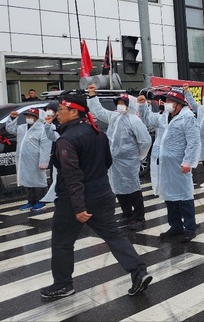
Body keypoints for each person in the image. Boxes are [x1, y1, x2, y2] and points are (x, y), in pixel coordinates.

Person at [41, 94, 151, 300]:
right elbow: (107, 162)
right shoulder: (97, 132)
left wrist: (79, 206)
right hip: (102, 193)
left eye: (61, 111)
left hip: (75, 199)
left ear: (74, 112)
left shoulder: (67, 140)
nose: (57, 115)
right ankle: (139, 272)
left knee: (62, 241)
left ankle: (63, 284)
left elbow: (72, 176)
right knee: (113, 234)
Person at [137, 90, 201, 242]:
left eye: (168, 101)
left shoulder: (188, 119)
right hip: (165, 164)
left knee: (184, 196)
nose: (165, 104)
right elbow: (147, 119)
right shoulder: (164, 117)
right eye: (164, 101)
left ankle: (190, 228)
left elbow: (193, 142)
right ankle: (176, 226)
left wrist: (188, 162)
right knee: (170, 196)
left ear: (178, 104)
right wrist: (142, 106)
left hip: (180, 164)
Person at [87, 85, 152, 231]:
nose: (120, 106)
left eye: (123, 103)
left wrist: (138, 156)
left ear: (129, 105)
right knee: (118, 188)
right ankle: (127, 213)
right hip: (114, 161)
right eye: (118, 103)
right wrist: (92, 95)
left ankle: (139, 217)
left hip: (129, 161)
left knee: (133, 189)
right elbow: (99, 111)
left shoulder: (134, 120)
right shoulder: (114, 117)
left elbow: (145, 141)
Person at [6, 108, 52, 210]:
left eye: (31, 116)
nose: (28, 118)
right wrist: (12, 118)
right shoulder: (22, 128)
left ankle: (42, 200)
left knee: (39, 180)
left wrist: (43, 162)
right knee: (26, 179)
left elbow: (45, 146)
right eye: (27, 116)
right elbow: (10, 129)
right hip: (23, 159)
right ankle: (31, 200)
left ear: (37, 118)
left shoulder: (42, 129)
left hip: (36, 159)